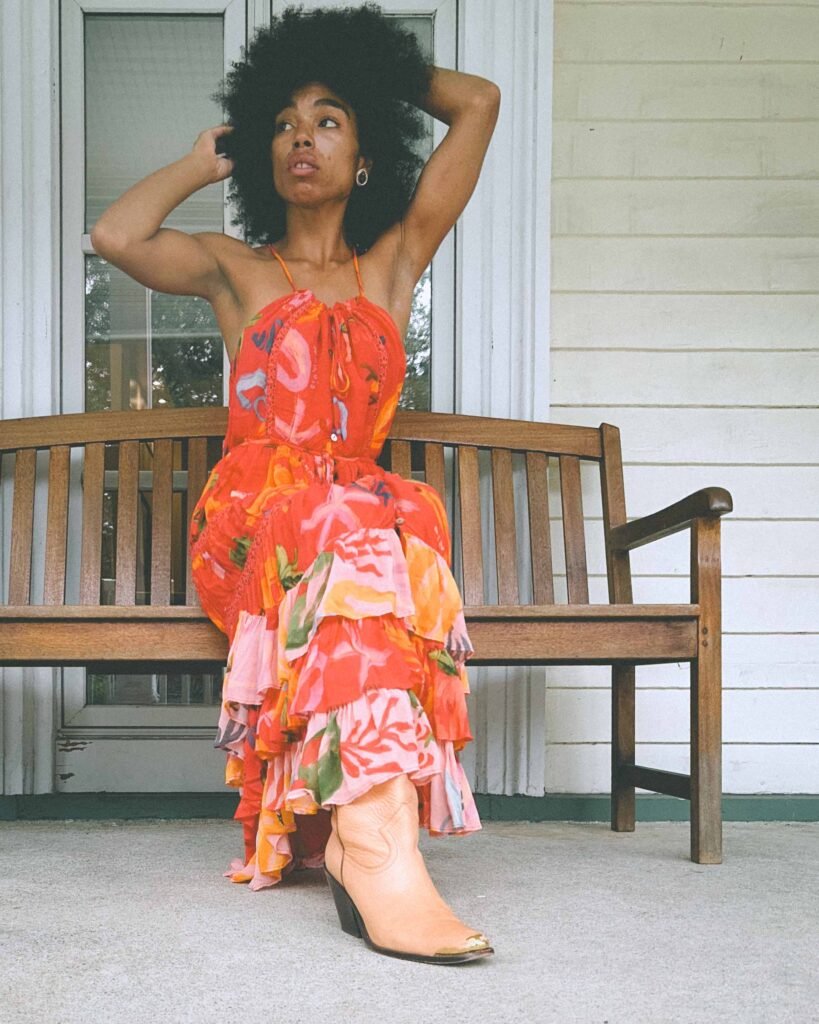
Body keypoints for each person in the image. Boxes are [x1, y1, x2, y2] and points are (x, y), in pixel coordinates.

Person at [90, 2, 500, 965]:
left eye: (326, 118)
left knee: (381, 520)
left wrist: (365, 70)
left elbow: (477, 102)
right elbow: (116, 235)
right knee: (358, 522)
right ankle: (381, 855)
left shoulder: (393, 263)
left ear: (365, 157)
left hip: (354, 526)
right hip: (254, 524)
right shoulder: (236, 269)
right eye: (282, 123)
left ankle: (372, 842)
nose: (299, 137)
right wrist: (205, 159)